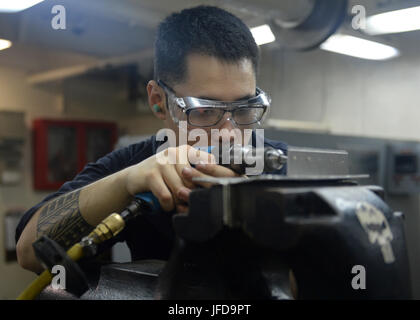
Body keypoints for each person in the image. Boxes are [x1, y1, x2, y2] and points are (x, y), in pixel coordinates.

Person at [16, 5, 287, 274]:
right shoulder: (135, 167)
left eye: (244, 109)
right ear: (158, 102)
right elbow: (30, 253)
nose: (229, 134)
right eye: (204, 111)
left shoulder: (282, 167)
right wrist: (125, 184)